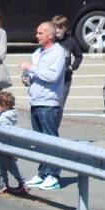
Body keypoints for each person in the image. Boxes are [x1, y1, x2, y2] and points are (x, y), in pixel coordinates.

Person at [20, 21, 66, 190]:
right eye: (37, 33)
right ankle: (43, 173)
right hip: (36, 101)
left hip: (49, 102)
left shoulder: (58, 52)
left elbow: (53, 76)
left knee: (50, 139)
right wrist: (27, 78)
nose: (37, 36)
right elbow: (33, 75)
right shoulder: (37, 53)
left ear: (50, 35)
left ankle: (53, 175)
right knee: (39, 140)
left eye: (40, 33)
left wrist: (32, 68)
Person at [0, 90, 26, 195]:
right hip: (0, 143)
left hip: (7, 145)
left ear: (5, 104)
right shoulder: (4, 113)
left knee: (11, 166)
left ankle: (23, 183)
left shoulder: (8, 115)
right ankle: (4, 184)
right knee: (0, 166)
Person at [52, 14, 82, 122]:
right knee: (51, 105)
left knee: (60, 106)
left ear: (65, 28)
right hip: (52, 79)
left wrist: (72, 67)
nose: (57, 31)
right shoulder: (51, 41)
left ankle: (55, 128)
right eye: (55, 28)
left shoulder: (70, 41)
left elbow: (79, 56)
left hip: (65, 79)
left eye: (60, 28)